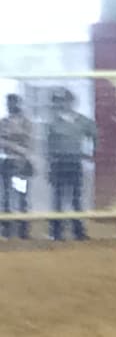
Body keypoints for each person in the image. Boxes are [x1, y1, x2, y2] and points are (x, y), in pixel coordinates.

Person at [45, 88, 96, 241]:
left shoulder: (81, 121)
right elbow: (48, 146)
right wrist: (50, 164)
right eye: (59, 101)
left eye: (64, 100)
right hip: (59, 162)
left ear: (70, 102)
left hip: (73, 162)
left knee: (75, 198)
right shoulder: (54, 122)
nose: (62, 104)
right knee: (58, 198)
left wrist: (91, 153)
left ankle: (77, 232)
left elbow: (94, 134)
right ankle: (56, 232)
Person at [0, 94, 34, 240]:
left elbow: (26, 139)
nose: (11, 105)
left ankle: (23, 230)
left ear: (18, 104)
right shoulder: (3, 122)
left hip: (20, 163)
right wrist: (15, 142)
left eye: (13, 103)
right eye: (9, 103)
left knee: (21, 197)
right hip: (8, 162)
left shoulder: (25, 122)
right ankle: (6, 229)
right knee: (6, 197)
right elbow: (2, 141)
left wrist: (10, 141)